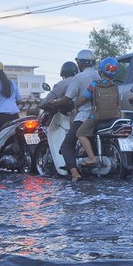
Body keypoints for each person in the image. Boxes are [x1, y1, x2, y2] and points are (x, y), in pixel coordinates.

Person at [72, 57, 123, 176]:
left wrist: (76, 105)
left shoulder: (95, 84)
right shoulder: (115, 86)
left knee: (80, 133)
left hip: (97, 117)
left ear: (100, 71)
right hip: (113, 117)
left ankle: (91, 158)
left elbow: (85, 98)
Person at [52, 49, 98, 180]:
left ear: (80, 63)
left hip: (84, 116)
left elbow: (67, 98)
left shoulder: (79, 77)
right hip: (99, 115)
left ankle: (75, 174)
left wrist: (54, 102)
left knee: (66, 146)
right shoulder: (98, 76)